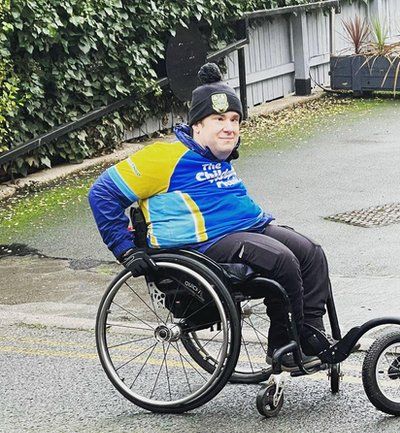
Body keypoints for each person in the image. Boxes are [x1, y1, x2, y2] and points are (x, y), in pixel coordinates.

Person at [88, 63, 330, 366]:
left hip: (246, 229)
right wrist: (124, 249)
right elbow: (101, 194)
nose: (229, 126)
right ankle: (285, 346)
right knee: (281, 259)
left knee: (311, 252)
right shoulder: (163, 158)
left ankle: (311, 333)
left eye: (234, 119)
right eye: (219, 119)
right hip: (201, 245)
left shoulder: (219, 156)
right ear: (197, 126)